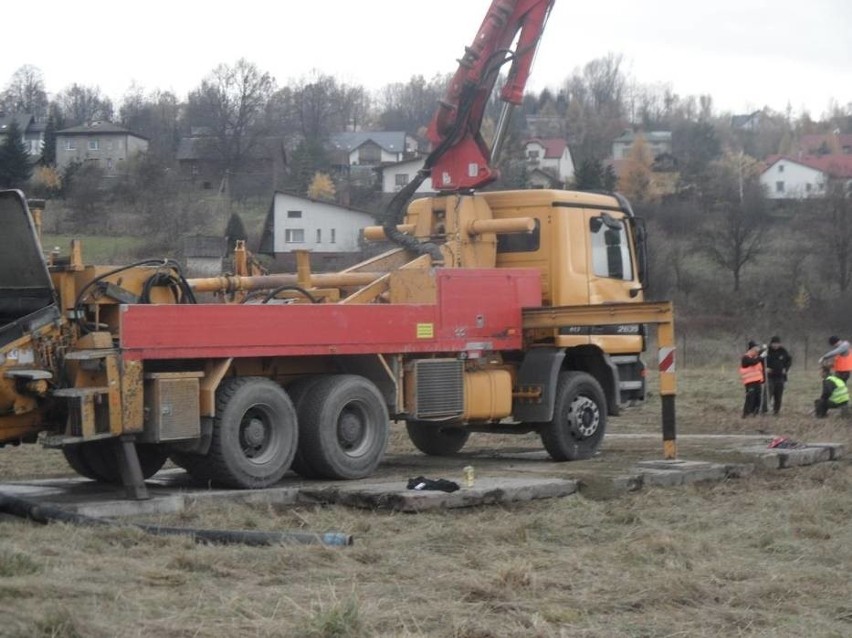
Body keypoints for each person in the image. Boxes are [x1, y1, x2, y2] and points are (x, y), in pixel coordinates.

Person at [763, 335, 792, 415]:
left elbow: (789, 361)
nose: (775, 345)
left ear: (780, 344)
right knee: (768, 394)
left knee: (778, 396)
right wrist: (765, 368)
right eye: (774, 343)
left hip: (780, 377)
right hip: (770, 377)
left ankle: (776, 411)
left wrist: (785, 369)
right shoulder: (766, 351)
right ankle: (764, 410)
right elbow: (761, 361)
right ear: (771, 344)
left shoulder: (783, 351)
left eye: (777, 343)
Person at [740, 340, 765, 417]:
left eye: (757, 348)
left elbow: (761, 368)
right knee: (750, 398)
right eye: (755, 348)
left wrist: (764, 349)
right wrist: (761, 356)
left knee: (758, 398)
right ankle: (746, 413)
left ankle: (755, 413)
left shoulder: (757, 357)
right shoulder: (746, 357)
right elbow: (753, 362)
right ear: (750, 349)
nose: (757, 350)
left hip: (757, 381)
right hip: (749, 382)